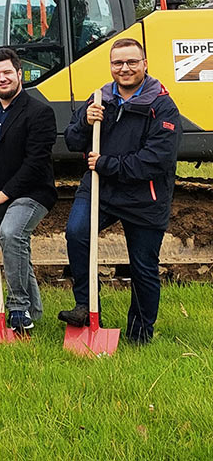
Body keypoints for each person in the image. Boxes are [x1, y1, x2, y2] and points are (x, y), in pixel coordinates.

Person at [59, 38, 180, 344]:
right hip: (99, 190)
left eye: (131, 62)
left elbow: (155, 162)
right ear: (111, 66)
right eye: (118, 63)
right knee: (76, 232)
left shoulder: (162, 105)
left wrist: (106, 164)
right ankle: (85, 305)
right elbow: (72, 142)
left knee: (142, 267)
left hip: (144, 197)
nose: (124, 69)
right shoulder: (100, 98)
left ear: (145, 64)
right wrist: (86, 123)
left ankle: (139, 335)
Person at [0, 48, 57, 334]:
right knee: (16, 249)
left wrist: (4, 194)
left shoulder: (40, 112)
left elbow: (36, 162)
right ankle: (35, 311)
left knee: (11, 233)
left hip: (32, 192)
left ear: (19, 74)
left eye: (7, 72)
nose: (1, 78)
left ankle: (17, 307)